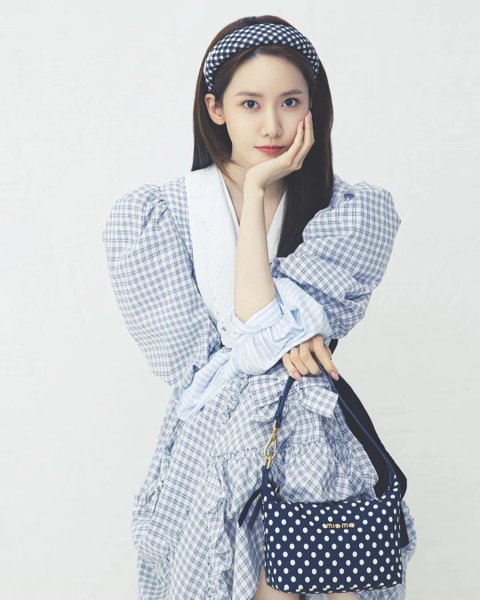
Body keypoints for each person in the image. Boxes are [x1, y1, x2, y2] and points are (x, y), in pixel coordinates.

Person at [102, 14, 417, 600]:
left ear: (313, 108)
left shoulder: (351, 211)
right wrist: (255, 195)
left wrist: (273, 329)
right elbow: (206, 359)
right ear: (216, 108)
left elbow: (255, 327)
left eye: (290, 102)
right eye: (250, 104)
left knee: (335, 586)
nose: (272, 125)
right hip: (210, 451)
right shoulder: (156, 217)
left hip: (313, 441)